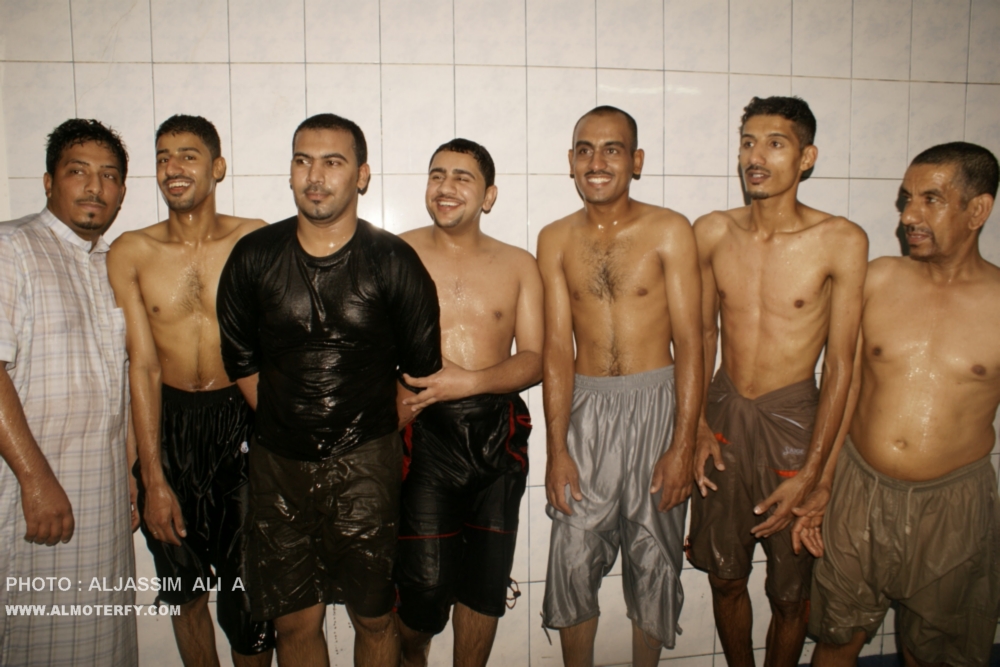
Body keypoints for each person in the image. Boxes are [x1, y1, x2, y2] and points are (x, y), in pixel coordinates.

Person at [216, 113, 442, 667]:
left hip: (367, 464)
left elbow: (421, 370)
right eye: (303, 160)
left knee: (373, 616)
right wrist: (287, 423)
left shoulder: (394, 261)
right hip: (278, 465)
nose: (315, 176)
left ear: (361, 176)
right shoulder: (254, 256)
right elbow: (239, 358)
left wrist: (369, 429)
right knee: (294, 621)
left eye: (332, 162)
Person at [685, 96, 868, 667]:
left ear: (806, 157)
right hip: (724, 411)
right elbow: (702, 337)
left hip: (796, 422)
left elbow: (842, 366)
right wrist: (696, 425)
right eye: (747, 143)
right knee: (724, 576)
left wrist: (815, 472)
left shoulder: (841, 240)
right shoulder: (712, 231)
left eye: (774, 144)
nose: (755, 157)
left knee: (790, 592)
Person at [806, 142, 1000, 667]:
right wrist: (823, 482)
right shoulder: (879, 278)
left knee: (931, 651)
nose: (908, 216)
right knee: (836, 636)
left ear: (978, 210)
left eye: (930, 200)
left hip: (953, 506)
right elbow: (846, 385)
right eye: (906, 199)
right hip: (860, 488)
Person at [107, 114, 275, 666]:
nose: (172, 167)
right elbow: (142, 368)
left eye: (187, 155)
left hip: (241, 420)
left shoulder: (254, 239)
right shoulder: (131, 251)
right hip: (168, 423)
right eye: (163, 157)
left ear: (217, 167)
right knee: (185, 590)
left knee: (249, 599)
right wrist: (149, 476)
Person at [538, 106, 703, 667]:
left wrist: (683, 445)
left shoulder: (669, 230)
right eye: (585, 149)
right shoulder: (554, 238)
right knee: (571, 558)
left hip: (658, 405)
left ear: (636, 161)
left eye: (612, 149)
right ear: (571, 161)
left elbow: (692, 343)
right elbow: (556, 349)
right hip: (586, 411)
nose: (597, 161)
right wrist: (557, 450)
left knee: (654, 561)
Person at [394, 139, 544, 667]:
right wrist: (394, 399)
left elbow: (535, 359)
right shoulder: (396, 253)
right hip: (422, 433)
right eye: (438, 174)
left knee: (485, 583)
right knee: (423, 586)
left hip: (496, 431)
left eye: (463, 177)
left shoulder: (519, 264)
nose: (447, 186)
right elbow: (367, 346)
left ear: (489, 196)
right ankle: (413, 658)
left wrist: (471, 382)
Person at [0, 119, 138, 665]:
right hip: (30, 496)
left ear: (122, 192)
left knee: (98, 641)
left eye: (109, 176)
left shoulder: (111, 263)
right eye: (78, 172)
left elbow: (120, 382)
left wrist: (130, 472)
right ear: (48, 181)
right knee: (30, 638)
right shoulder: (12, 247)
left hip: (102, 499)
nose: (95, 187)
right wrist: (35, 479)